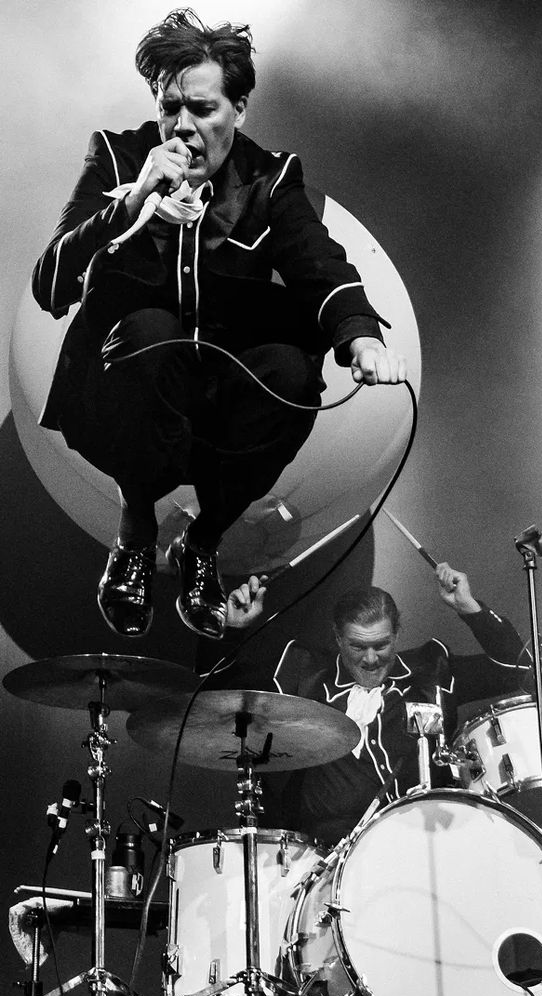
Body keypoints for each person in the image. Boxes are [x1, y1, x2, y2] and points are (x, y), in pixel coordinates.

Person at [31, 9, 404, 642]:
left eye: (202, 109)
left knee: (290, 369)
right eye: (168, 107)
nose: (182, 128)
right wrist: (131, 202)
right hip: (131, 387)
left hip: (219, 400)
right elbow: (50, 285)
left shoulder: (270, 176)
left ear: (239, 108)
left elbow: (317, 260)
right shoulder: (118, 157)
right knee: (149, 328)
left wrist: (360, 333)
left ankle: (201, 544)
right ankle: (137, 528)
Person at [223, 562, 535, 844]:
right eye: (358, 646)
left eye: (381, 645)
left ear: (397, 634)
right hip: (326, 857)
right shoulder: (302, 672)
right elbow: (220, 698)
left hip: (426, 846)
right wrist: (233, 633)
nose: (371, 659)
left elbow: (522, 671)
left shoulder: (433, 669)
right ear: (338, 638)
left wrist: (469, 608)